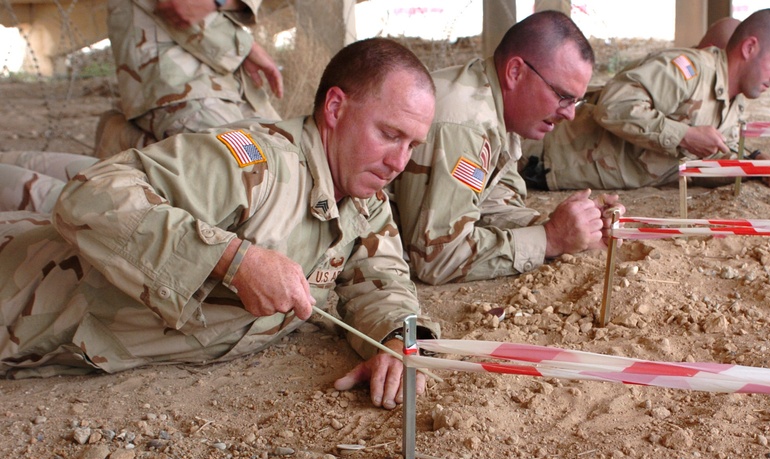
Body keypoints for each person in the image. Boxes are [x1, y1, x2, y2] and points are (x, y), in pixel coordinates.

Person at [0, 37, 436, 411]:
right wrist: (234, 260)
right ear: (336, 108)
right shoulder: (257, 164)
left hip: (62, 345)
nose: (400, 162)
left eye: (413, 145)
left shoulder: (366, 199)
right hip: (17, 299)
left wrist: (401, 340)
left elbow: (384, 282)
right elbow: (89, 195)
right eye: (390, 134)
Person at [393, 11, 624, 286]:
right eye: (563, 97)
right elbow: (437, 258)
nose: (570, 114)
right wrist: (550, 239)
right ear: (515, 72)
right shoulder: (466, 125)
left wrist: (575, 227)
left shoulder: (496, 111)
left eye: (576, 102)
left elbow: (488, 208)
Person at [519, 8, 770, 191]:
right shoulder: (689, 71)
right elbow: (613, 105)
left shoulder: (734, 102)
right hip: (539, 159)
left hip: (563, 176)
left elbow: (705, 159)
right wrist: (683, 135)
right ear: (750, 47)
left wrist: (752, 164)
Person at [95, 0, 284, 157]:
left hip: (223, 69)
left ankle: (142, 143)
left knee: (286, 156)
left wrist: (243, 46)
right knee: (247, 168)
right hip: (175, 73)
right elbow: (181, 5)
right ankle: (140, 150)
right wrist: (240, 45)